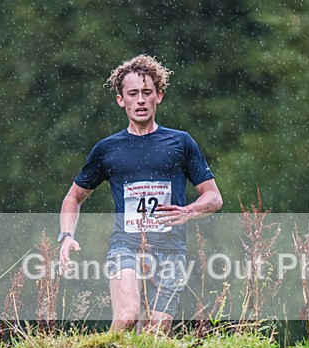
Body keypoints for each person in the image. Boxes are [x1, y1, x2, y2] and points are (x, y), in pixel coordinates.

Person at [59, 55, 222, 332]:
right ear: (121, 100)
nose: (141, 100)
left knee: (155, 333)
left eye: (147, 93)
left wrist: (189, 210)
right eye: (133, 94)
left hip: (171, 250)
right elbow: (73, 197)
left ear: (159, 95)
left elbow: (214, 197)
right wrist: (66, 237)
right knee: (127, 316)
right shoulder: (107, 149)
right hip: (126, 245)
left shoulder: (180, 142)